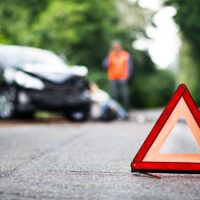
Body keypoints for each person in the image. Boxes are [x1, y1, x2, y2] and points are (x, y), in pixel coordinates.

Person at [103, 40, 132, 111]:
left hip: (123, 77)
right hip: (112, 77)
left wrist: (127, 77)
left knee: (125, 95)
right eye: (114, 47)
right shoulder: (111, 55)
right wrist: (108, 56)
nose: (116, 48)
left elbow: (129, 67)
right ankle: (116, 112)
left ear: (120, 47)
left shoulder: (125, 54)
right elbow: (105, 65)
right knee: (114, 96)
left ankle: (127, 110)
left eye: (117, 47)